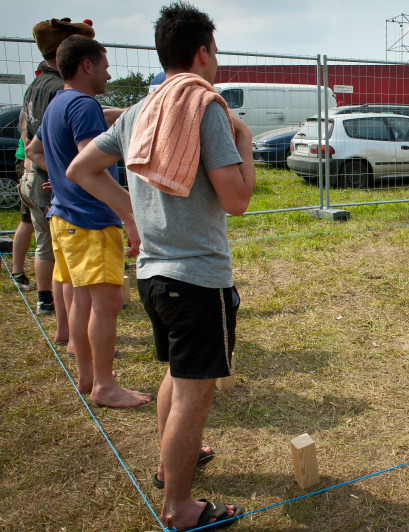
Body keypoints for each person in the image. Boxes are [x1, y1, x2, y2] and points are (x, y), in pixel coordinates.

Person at [68, 2, 254, 528]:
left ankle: (172, 461)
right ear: (202, 52)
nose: (216, 62)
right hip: (196, 279)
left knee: (177, 374)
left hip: (152, 274)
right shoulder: (204, 109)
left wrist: (132, 212)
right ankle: (177, 507)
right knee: (195, 393)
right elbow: (237, 199)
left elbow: (82, 168)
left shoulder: (139, 110)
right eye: (215, 51)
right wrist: (245, 147)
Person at [27, 35, 150, 409]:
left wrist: (63, 176)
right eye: (105, 65)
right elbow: (91, 166)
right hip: (90, 220)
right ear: (86, 65)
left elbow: (34, 150)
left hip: (63, 218)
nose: (109, 74)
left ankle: (87, 377)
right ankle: (105, 385)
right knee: (108, 302)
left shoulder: (56, 104)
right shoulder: (83, 105)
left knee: (82, 300)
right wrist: (129, 214)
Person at [23, 19, 94, 326]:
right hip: (59, 187)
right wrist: (67, 175)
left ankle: (47, 304)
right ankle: (70, 325)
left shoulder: (36, 85)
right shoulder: (60, 90)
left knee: (49, 251)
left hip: (37, 178)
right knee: (71, 267)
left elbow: (31, 141)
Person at [11, 110, 35, 291]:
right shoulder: (40, 96)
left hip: (29, 163)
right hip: (31, 165)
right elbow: (27, 140)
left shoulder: (34, 95)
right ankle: (18, 272)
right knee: (27, 220)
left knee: (28, 221)